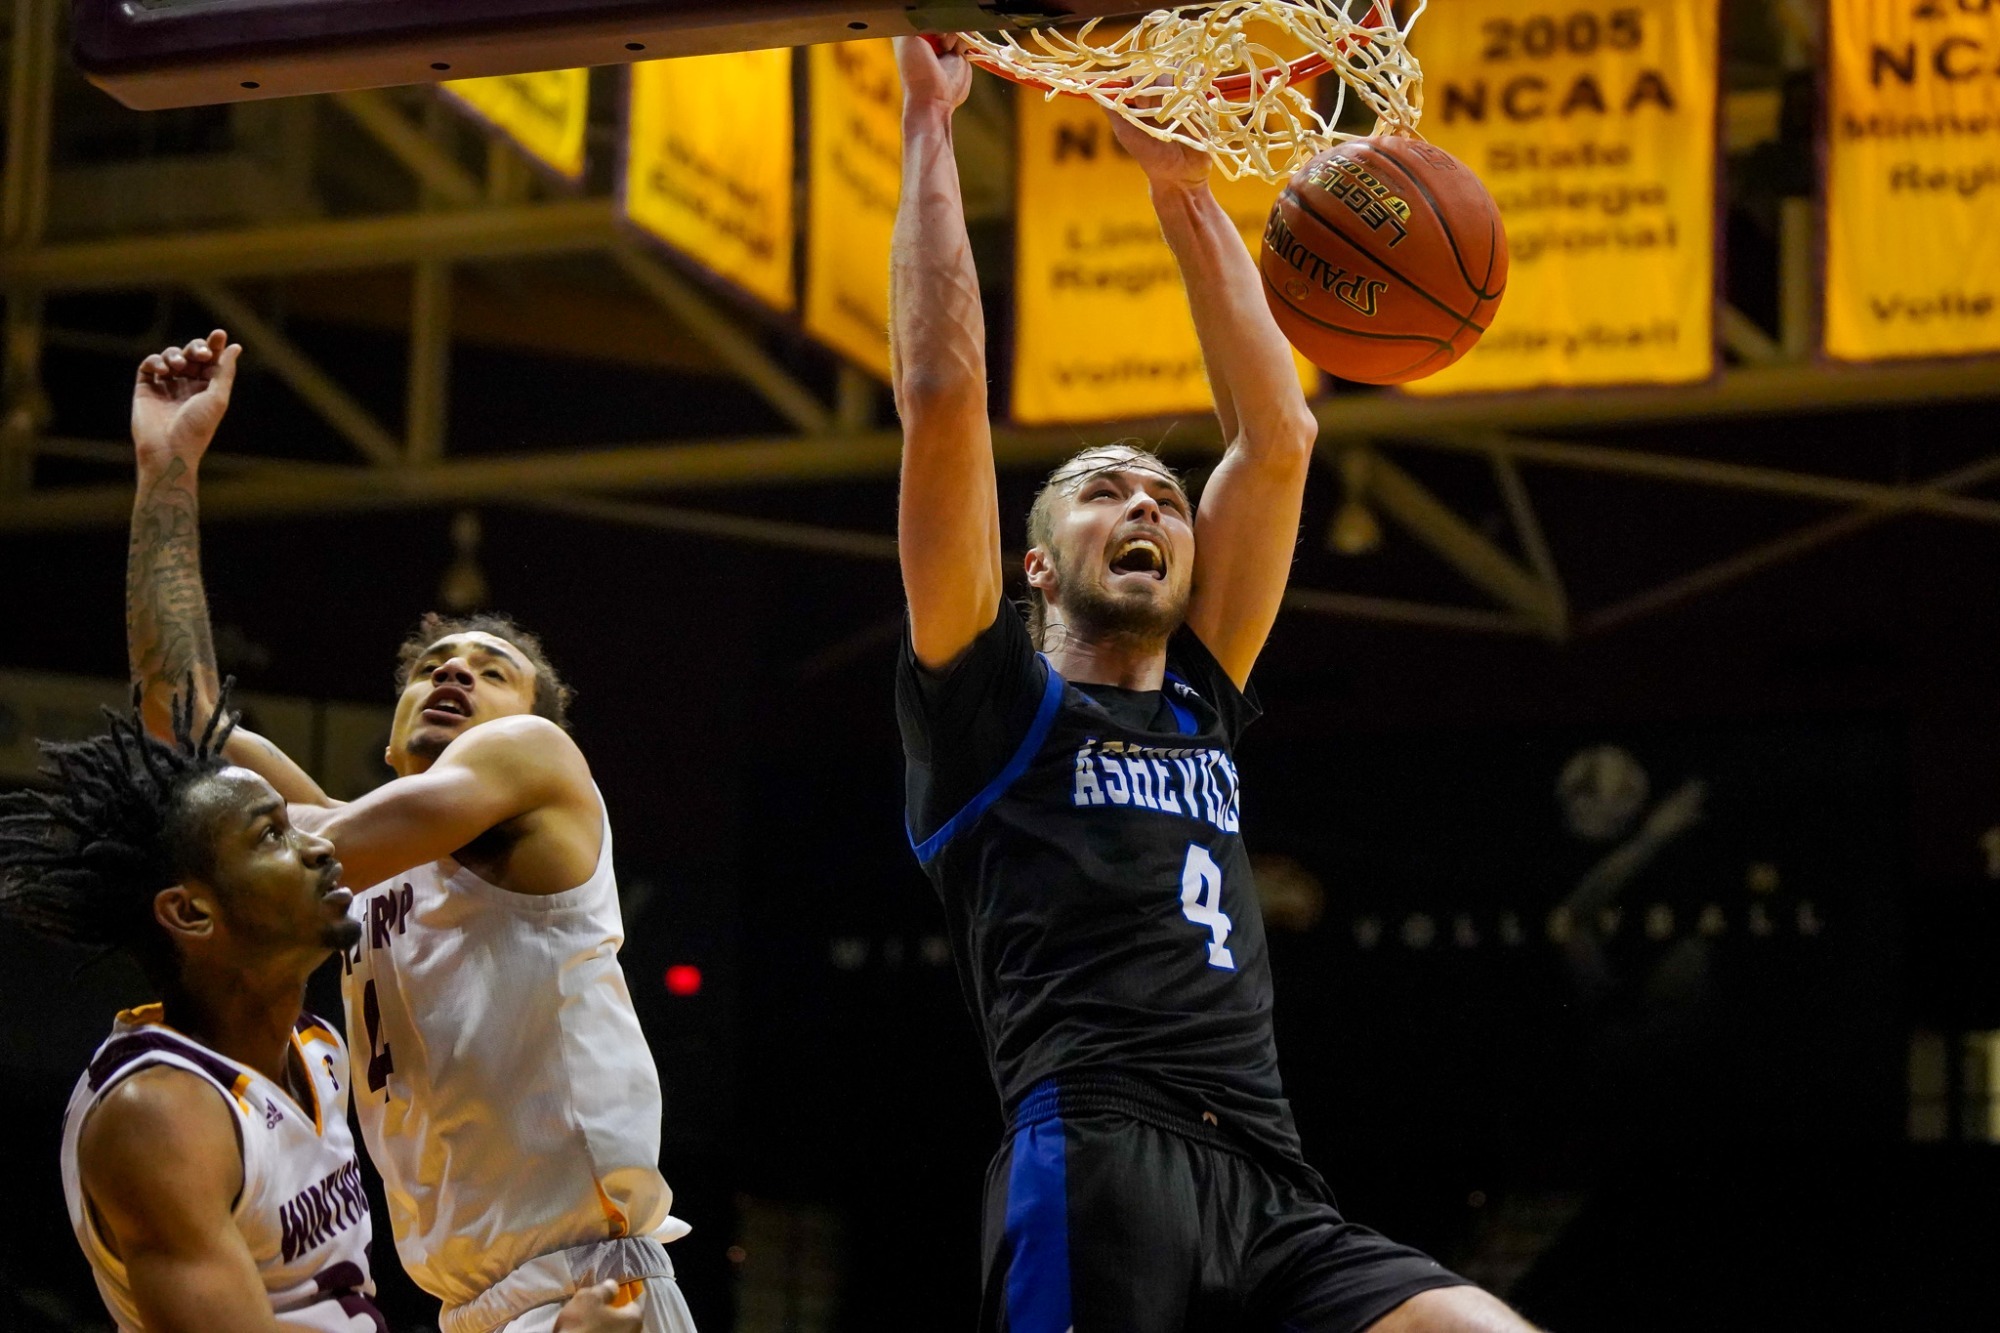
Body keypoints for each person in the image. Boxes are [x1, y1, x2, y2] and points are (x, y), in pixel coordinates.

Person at [889, 36, 1538, 1333]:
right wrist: (929, 125)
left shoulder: (1201, 687)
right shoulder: (989, 707)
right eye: (1105, 492)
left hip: (1271, 1173)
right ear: (1034, 565)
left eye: (1167, 498)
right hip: (1099, 1158)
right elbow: (945, 393)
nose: (1147, 504)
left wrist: (1182, 186)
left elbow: (1280, 434)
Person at [122, 332, 694, 1333]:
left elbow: (264, 835)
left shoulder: (534, 759)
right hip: (462, 1304)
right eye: (432, 668)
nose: (453, 673)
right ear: (391, 738)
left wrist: (207, 839)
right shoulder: (350, 843)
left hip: (587, 1286)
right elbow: (178, 715)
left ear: (532, 725)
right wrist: (165, 466)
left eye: (489, 667)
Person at [0, 697, 643, 1333]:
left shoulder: (317, 1051)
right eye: (271, 836)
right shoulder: (162, 1116)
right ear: (191, 913)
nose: (319, 845)